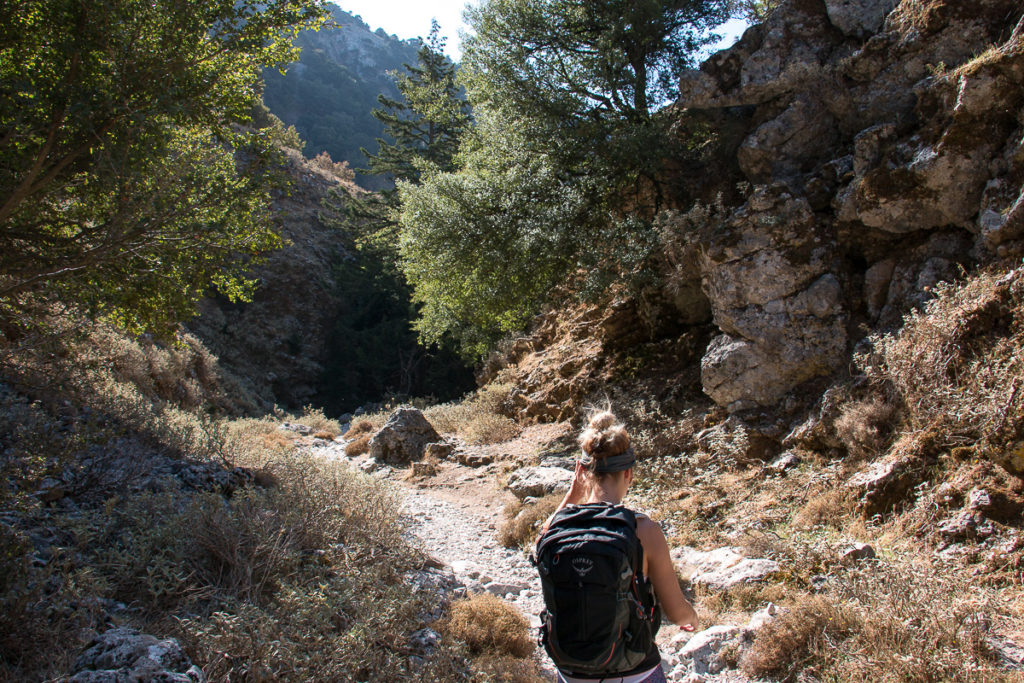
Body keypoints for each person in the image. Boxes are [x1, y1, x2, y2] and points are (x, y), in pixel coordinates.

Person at [537, 410, 698, 683]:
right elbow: (675, 611)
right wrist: (692, 617)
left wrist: (573, 494)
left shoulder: (556, 529)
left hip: (571, 672)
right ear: (628, 473)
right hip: (634, 671)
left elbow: (541, 541)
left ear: (584, 473)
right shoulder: (643, 530)